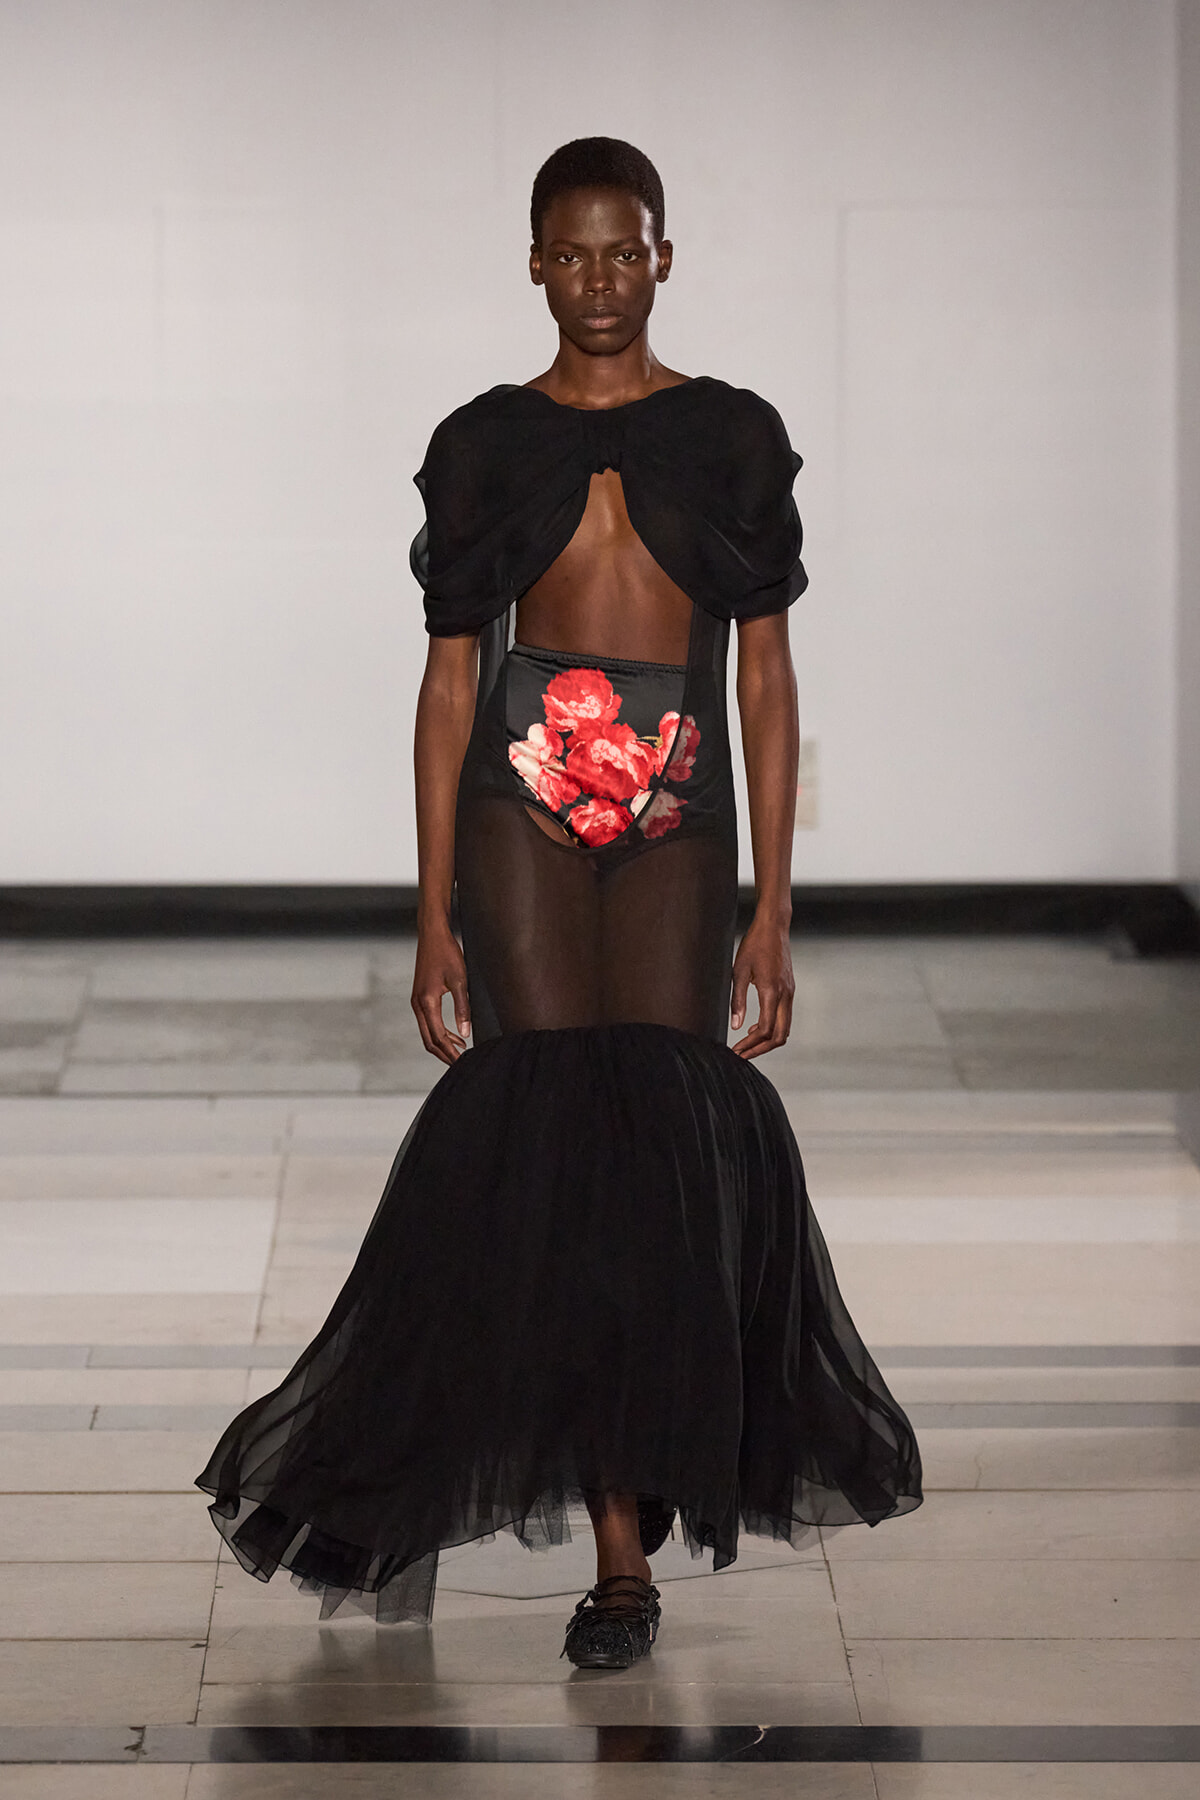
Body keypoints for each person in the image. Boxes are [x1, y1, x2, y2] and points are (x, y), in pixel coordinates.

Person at [198, 136, 921, 1674]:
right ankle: (517, 1510)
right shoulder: (484, 444)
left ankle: (621, 1506)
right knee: (532, 1138)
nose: (599, 277)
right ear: (532, 262)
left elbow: (769, 682)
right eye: (571, 252)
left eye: (625, 249)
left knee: (658, 1143)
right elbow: (451, 679)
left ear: (668, 256)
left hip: (672, 802)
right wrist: (432, 912)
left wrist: (775, 908)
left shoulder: (731, 437)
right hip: (520, 804)